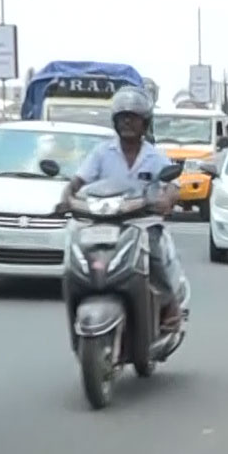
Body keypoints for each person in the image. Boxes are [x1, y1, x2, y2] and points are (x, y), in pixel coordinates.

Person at [60, 85, 185, 331]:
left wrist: (166, 199)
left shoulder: (154, 155)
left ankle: (170, 306)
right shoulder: (101, 152)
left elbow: (173, 185)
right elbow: (77, 182)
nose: (127, 122)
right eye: (122, 117)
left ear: (145, 123)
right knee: (79, 253)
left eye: (133, 117)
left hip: (142, 221)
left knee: (155, 253)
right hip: (103, 221)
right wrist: (66, 197)